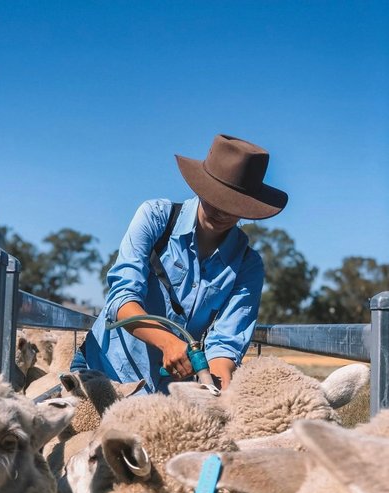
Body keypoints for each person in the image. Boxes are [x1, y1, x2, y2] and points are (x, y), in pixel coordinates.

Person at [71, 134, 288, 393]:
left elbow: (225, 344)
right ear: (201, 186)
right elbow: (121, 300)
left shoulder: (247, 266)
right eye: (215, 196)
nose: (222, 210)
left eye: (234, 204)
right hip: (104, 376)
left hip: (171, 397)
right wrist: (168, 342)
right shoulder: (155, 218)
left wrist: (214, 389)